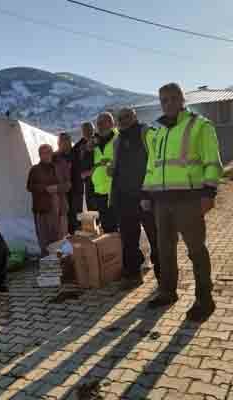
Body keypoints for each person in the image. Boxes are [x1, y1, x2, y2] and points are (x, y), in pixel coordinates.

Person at [143, 82, 222, 322]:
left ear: (181, 99)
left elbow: (212, 162)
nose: (167, 104)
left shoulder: (200, 126)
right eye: (163, 100)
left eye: (171, 98)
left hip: (189, 199)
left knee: (196, 249)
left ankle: (204, 299)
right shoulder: (155, 132)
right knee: (164, 249)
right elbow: (151, 167)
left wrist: (209, 193)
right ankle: (167, 292)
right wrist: (146, 195)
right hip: (161, 202)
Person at [110, 107, 160, 290]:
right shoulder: (118, 140)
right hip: (125, 198)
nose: (123, 120)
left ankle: (164, 281)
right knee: (129, 240)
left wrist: (148, 193)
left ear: (135, 116)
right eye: (120, 118)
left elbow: (155, 163)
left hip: (146, 196)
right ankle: (132, 275)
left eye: (127, 116)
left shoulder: (146, 133)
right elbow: (117, 166)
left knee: (156, 238)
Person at [27, 144, 70, 256]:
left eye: (48, 152)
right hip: (42, 210)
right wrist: (45, 189)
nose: (46, 155)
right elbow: (30, 187)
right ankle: (49, 268)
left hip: (59, 209)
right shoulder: (35, 170)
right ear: (39, 155)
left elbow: (68, 185)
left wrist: (57, 188)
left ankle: (63, 267)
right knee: (44, 240)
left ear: (52, 153)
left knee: (60, 240)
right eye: (43, 153)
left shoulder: (59, 168)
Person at [91, 112, 119, 233]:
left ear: (111, 123)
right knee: (107, 225)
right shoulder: (94, 142)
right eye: (98, 124)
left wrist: (110, 162)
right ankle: (111, 250)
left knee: (119, 224)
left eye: (102, 123)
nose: (100, 126)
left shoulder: (119, 138)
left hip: (115, 188)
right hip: (99, 189)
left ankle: (122, 250)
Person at [69, 122, 96, 232]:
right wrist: (81, 174)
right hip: (85, 184)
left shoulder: (100, 141)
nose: (88, 132)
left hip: (101, 182)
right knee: (88, 209)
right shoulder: (78, 146)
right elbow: (75, 164)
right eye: (85, 130)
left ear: (94, 130)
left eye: (90, 130)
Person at [53, 132, 74, 233]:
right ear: (58, 143)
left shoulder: (75, 154)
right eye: (62, 141)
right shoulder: (53, 157)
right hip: (61, 193)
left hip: (76, 191)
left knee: (74, 218)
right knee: (63, 221)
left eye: (67, 140)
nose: (65, 143)